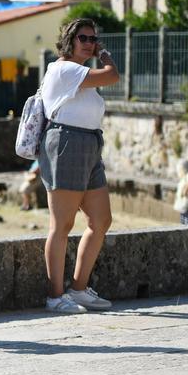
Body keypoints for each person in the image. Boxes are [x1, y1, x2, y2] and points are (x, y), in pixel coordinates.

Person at [39, 18, 119, 314]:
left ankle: (80, 289)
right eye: (83, 38)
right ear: (70, 40)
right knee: (62, 225)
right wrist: (106, 55)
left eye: (93, 38)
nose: (89, 43)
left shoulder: (81, 74)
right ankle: (55, 296)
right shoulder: (64, 69)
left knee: (101, 220)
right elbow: (112, 76)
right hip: (67, 143)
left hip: (89, 143)